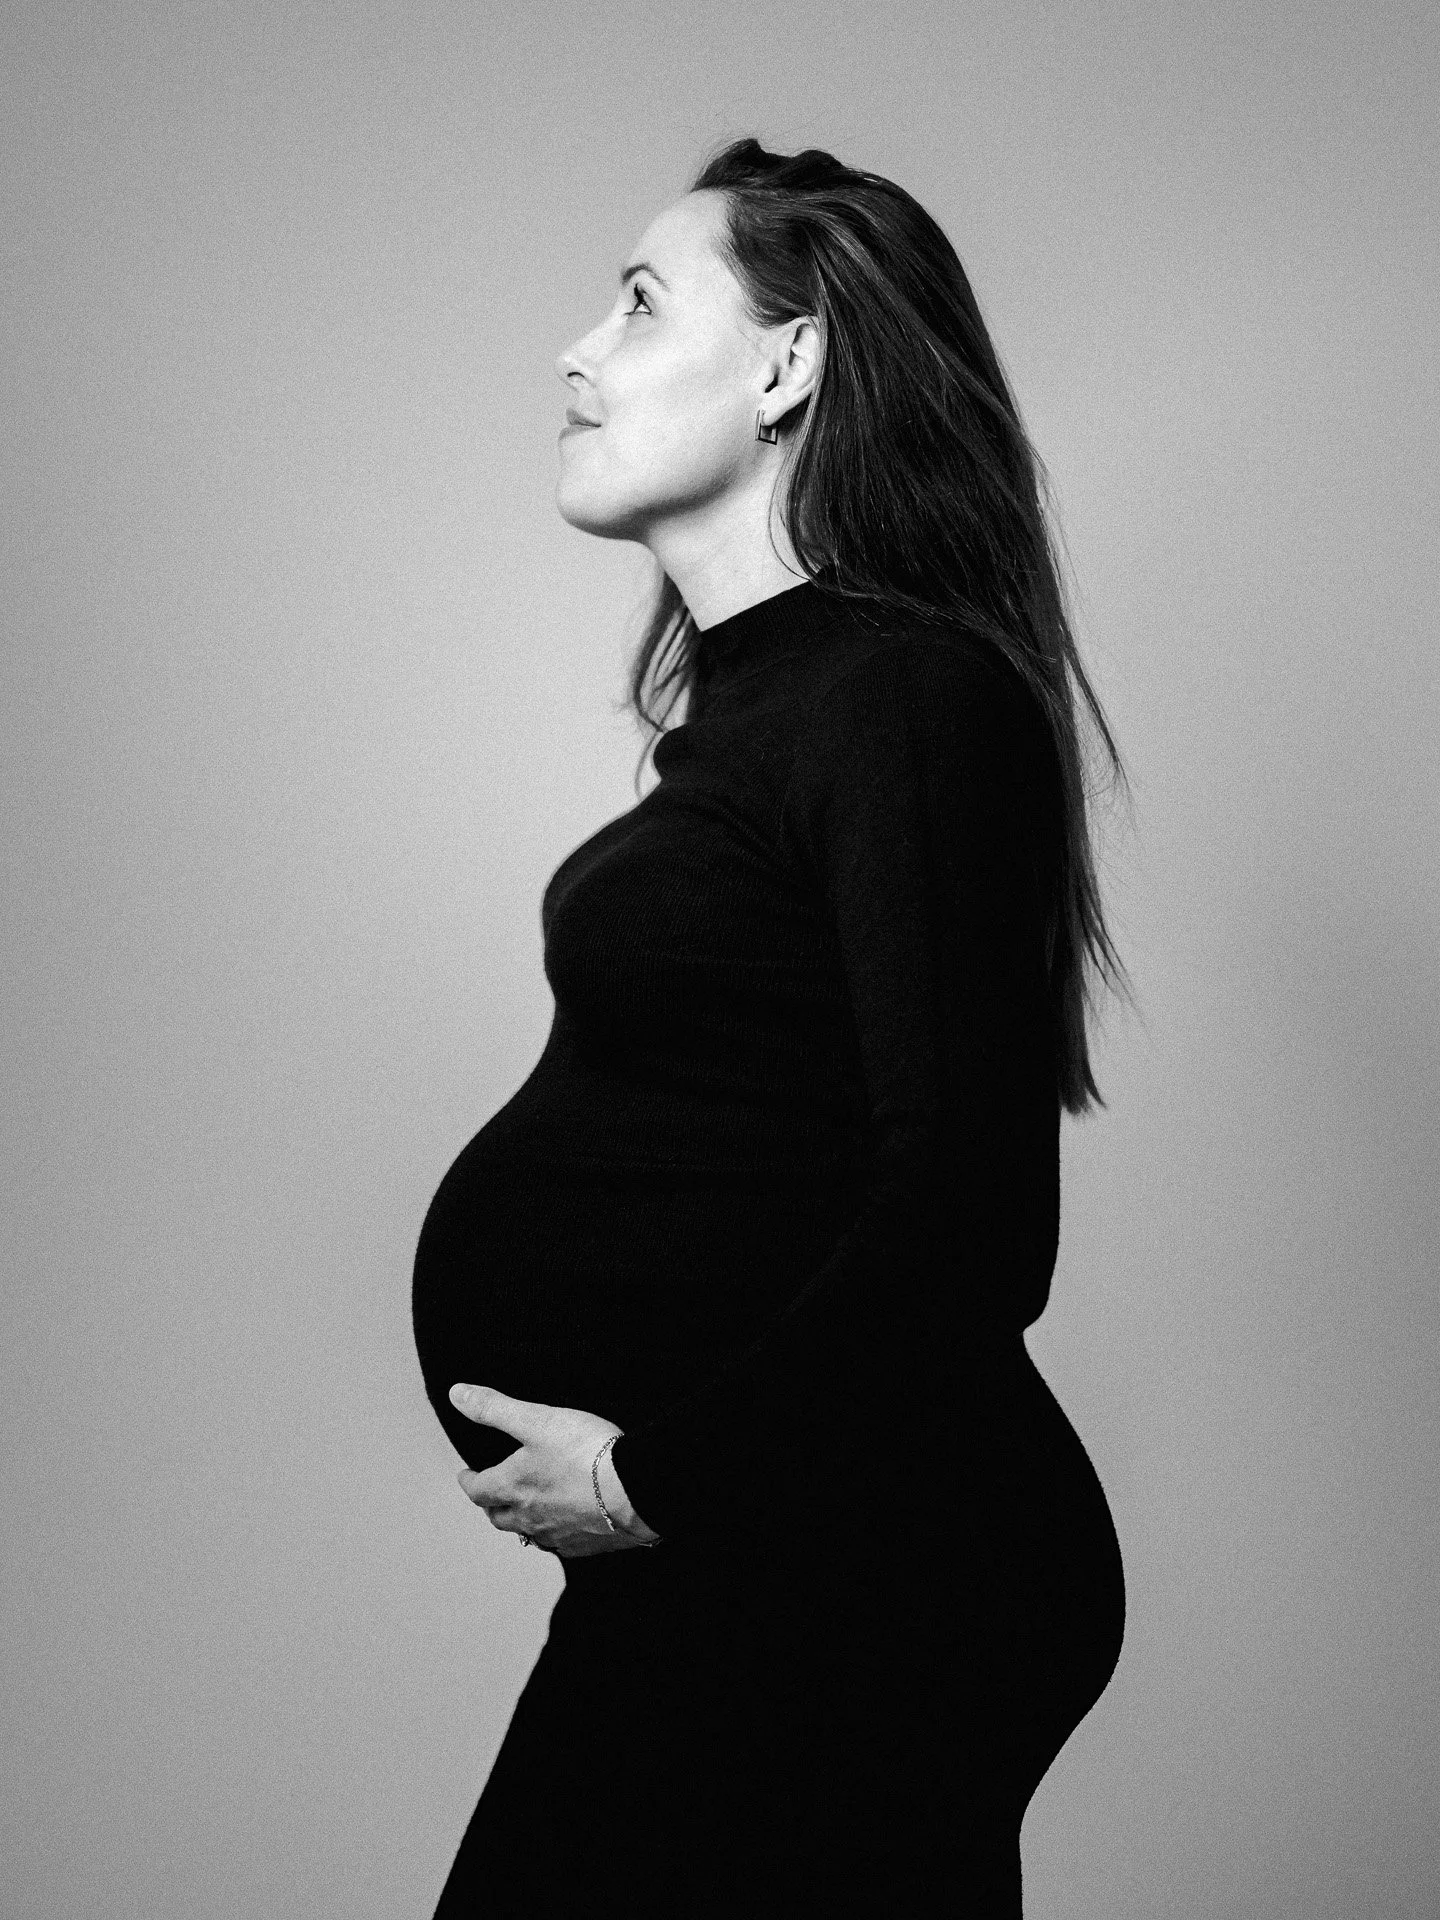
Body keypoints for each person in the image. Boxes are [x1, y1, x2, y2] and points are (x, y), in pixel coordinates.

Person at [412, 137, 1128, 1917]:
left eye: (641, 304)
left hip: (856, 1572)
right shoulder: (779, 711)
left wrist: (658, 1477)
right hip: (756, 1564)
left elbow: (971, 1216)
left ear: (789, 364)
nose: (577, 350)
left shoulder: (907, 696)